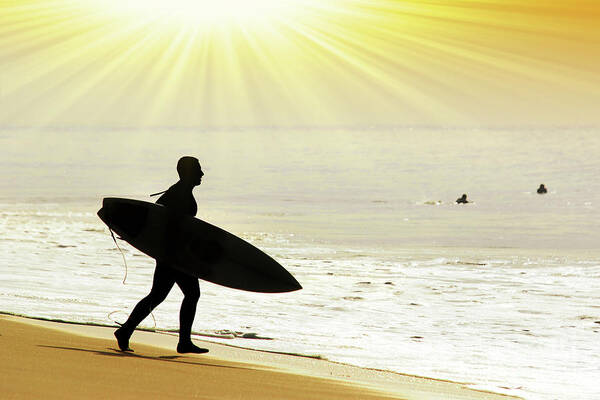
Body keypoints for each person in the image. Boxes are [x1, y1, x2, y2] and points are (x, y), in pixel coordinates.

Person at [114, 156, 207, 353]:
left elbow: (155, 216)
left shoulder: (178, 191)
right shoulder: (179, 194)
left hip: (170, 253)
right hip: (174, 255)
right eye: (198, 169)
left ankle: (126, 331)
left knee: (158, 295)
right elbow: (159, 221)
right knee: (190, 294)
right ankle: (183, 342)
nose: (202, 173)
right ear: (188, 172)